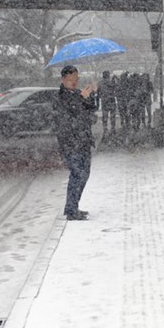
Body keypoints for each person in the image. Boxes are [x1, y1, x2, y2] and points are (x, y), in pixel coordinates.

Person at [54, 65, 98, 221]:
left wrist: (92, 94)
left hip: (84, 141)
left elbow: (92, 113)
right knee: (77, 174)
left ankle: (74, 206)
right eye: (71, 79)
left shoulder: (79, 94)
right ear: (63, 80)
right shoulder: (61, 97)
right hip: (70, 143)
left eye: (76, 79)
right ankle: (71, 210)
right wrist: (81, 100)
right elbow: (70, 117)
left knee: (84, 175)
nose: (74, 82)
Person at [98, 70, 117, 135]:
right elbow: (116, 88)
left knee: (105, 116)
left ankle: (105, 129)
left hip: (104, 101)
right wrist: (114, 79)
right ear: (108, 75)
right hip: (111, 101)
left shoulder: (100, 83)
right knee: (112, 116)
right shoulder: (111, 82)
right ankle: (113, 128)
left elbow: (98, 93)